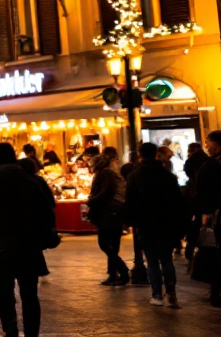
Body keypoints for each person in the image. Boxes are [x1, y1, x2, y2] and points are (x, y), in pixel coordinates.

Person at [0, 143, 56, 337]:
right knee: (29, 295)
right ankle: (31, 333)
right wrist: (43, 238)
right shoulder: (30, 182)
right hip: (29, 246)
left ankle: (10, 328)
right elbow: (47, 213)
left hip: (0, 246)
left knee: (5, 294)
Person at [126, 142, 187, 307]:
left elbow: (130, 202)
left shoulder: (135, 176)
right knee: (166, 259)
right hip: (166, 222)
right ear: (156, 154)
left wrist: (131, 221)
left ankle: (157, 295)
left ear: (140, 155)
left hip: (146, 223)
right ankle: (172, 293)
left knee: (152, 260)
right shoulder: (168, 176)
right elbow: (178, 202)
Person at [86, 153, 129, 286]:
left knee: (104, 243)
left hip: (108, 212)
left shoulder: (104, 175)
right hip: (115, 211)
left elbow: (105, 192)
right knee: (113, 244)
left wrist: (91, 201)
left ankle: (122, 271)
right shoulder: (111, 174)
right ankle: (113, 274)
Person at [191, 129, 221, 306]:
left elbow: (204, 190)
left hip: (215, 214)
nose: (206, 146)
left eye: (208, 143)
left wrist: (204, 212)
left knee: (214, 252)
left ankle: (216, 290)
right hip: (214, 212)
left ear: (216, 144)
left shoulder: (211, 165)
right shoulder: (210, 163)